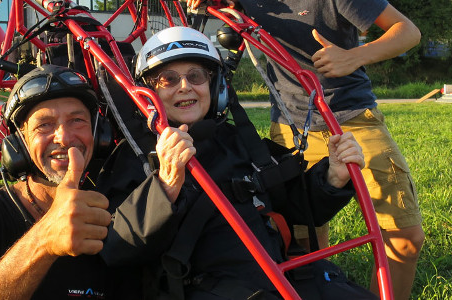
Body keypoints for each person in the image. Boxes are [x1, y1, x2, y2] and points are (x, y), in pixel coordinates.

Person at [95, 26, 372, 299]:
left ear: (216, 86)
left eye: (196, 76)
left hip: (285, 275)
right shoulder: (135, 157)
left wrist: (332, 177)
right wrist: (165, 184)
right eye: (167, 79)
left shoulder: (239, 140)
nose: (184, 87)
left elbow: (295, 207)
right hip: (204, 287)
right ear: (148, 92)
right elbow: (118, 250)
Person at [187, 0, 425, 298]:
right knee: (302, 239)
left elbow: (408, 32)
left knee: (405, 238)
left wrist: (353, 57)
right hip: (291, 125)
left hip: (353, 117)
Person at [0, 65, 142, 299]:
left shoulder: (118, 209)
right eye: (44, 125)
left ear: (99, 135)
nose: (64, 138)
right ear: (20, 142)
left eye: (77, 120)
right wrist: (44, 240)